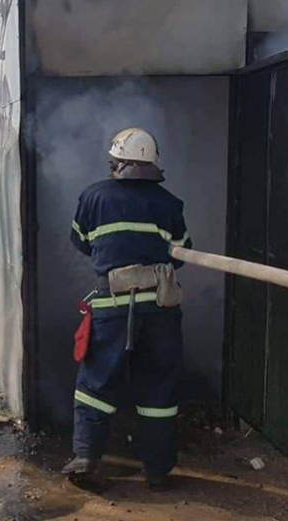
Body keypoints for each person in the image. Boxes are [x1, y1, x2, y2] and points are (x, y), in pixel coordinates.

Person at [63, 128, 191, 491]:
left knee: (96, 382)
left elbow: (81, 241)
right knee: (159, 386)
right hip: (161, 308)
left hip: (114, 303)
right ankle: (157, 470)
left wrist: (116, 251)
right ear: (152, 165)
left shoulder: (93, 196)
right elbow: (181, 253)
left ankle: (86, 456)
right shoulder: (171, 204)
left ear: (117, 163)